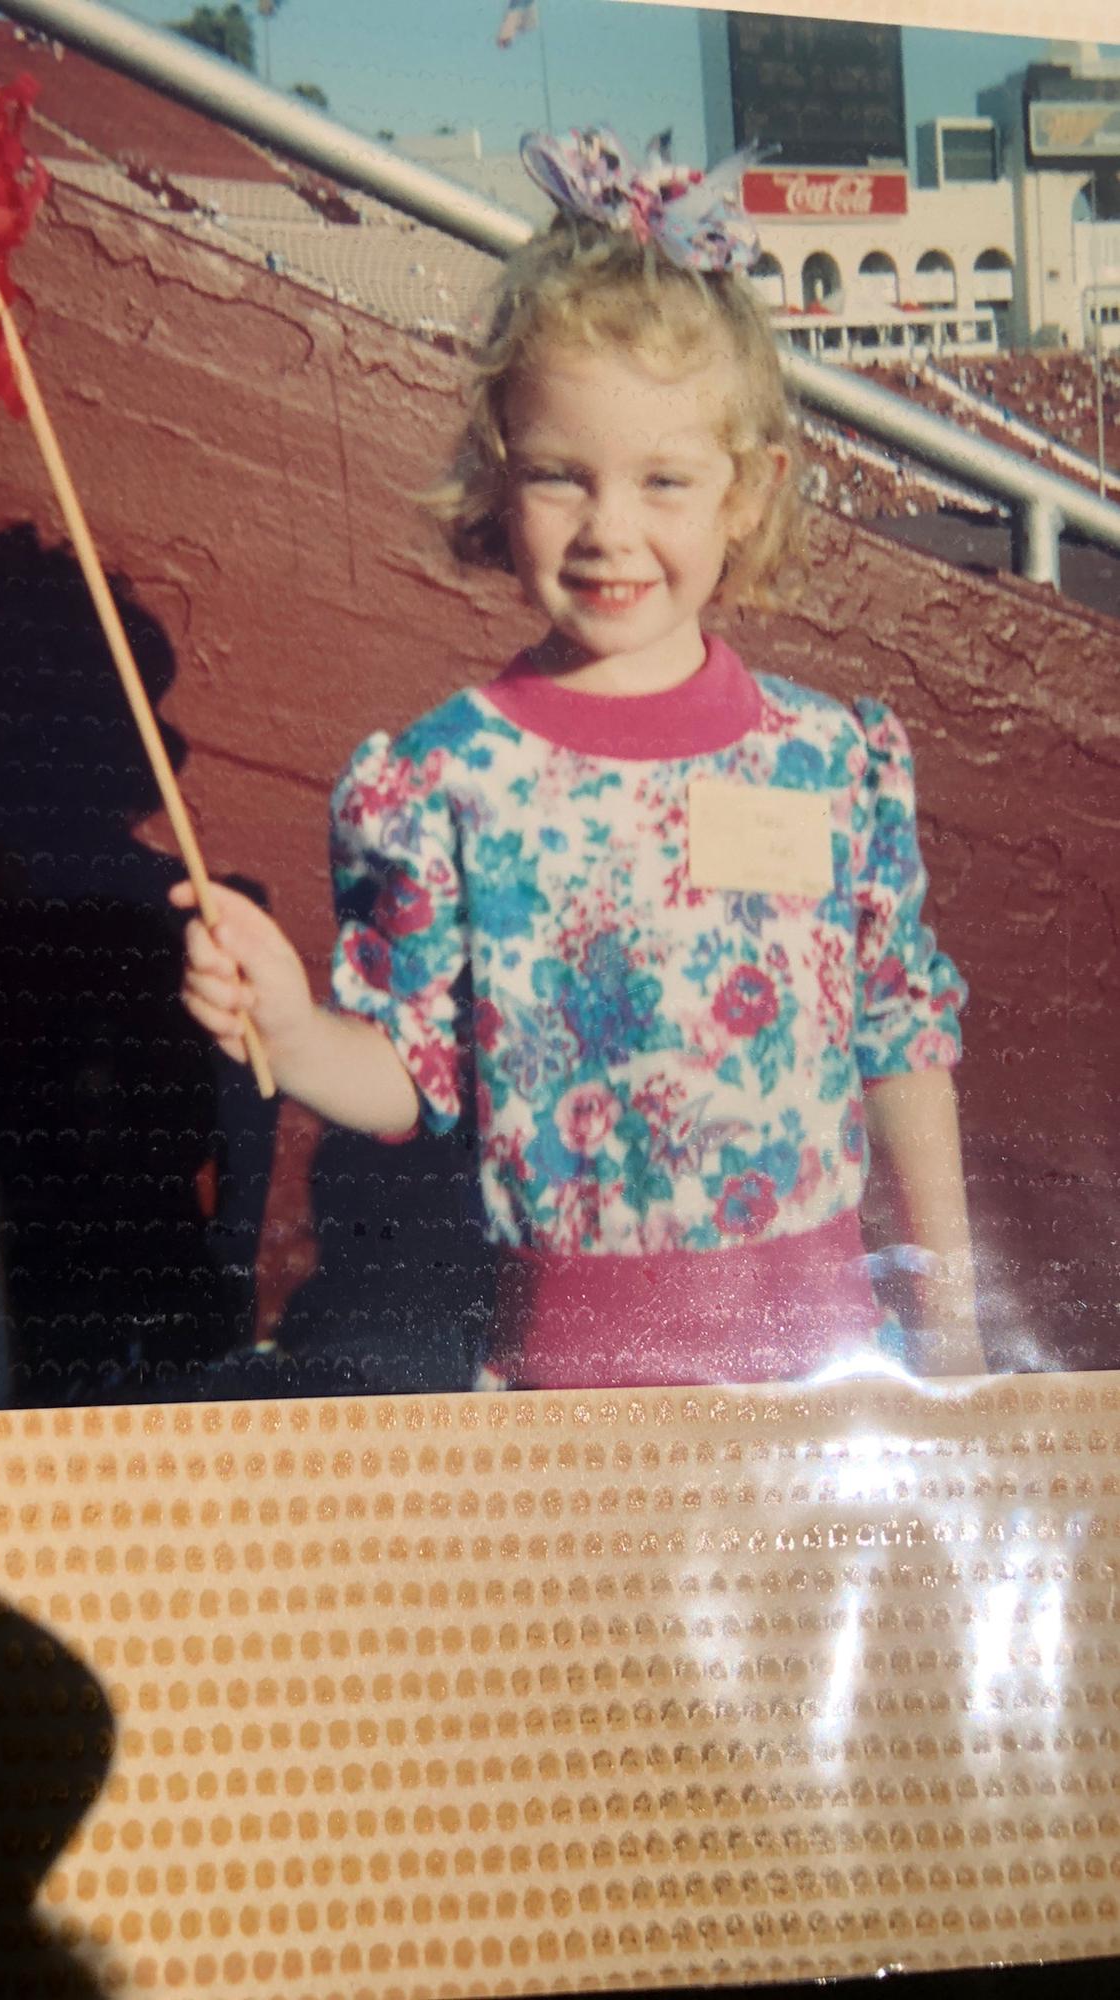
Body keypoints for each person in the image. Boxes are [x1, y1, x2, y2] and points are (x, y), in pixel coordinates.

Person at [172, 129, 984, 1391]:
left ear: (749, 494)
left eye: (665, 479)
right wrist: (287, 1020)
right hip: (569, 1396)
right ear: (502, 477)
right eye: (562, 476)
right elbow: (405, 1079)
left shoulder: (835, 760)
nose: (612, 529)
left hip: (822, 1384)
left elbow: (901, 1036)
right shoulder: (444, 781)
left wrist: (955, 1318)